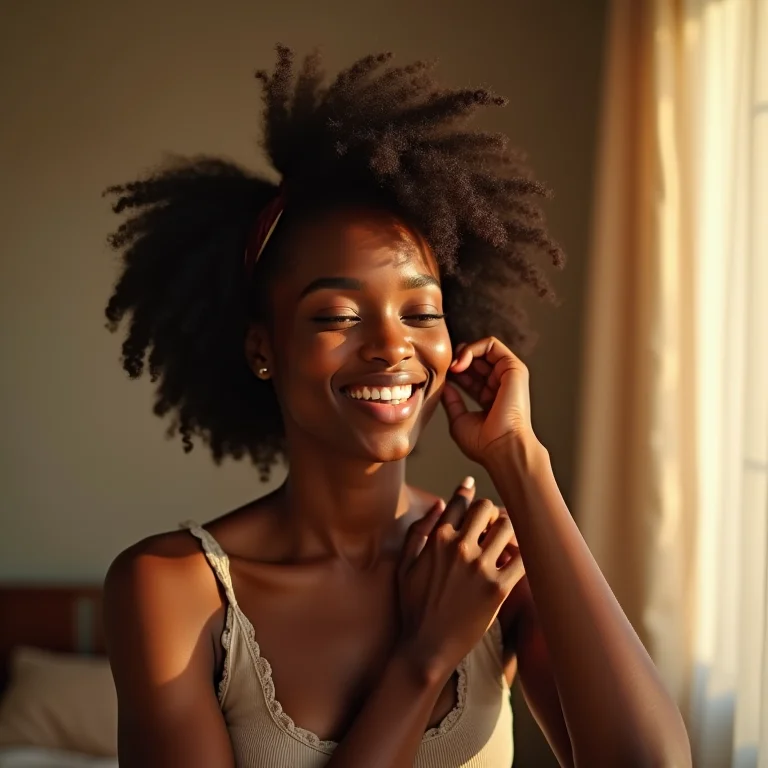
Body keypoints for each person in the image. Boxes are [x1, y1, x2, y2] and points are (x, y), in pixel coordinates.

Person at [101, 45, 691, 768]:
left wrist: (521, 460)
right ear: (263, 347)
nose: (391, 346)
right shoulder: (172, 590)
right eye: (337, 316)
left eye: (421, 313)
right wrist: (425, 656)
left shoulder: (488, 562)